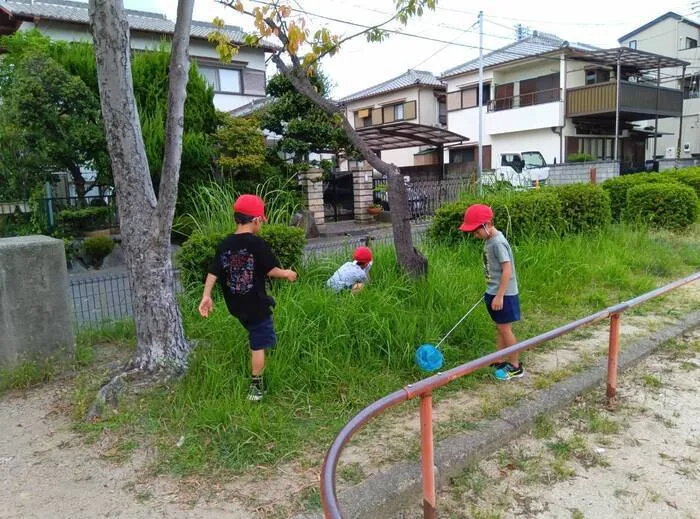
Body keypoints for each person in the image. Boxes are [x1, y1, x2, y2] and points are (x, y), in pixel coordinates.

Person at [198, 194, 297, 401]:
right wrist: (288, 273)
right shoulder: (256, 243)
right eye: (261, 220)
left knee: (257, 332)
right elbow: (271, 270)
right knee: (258, 343)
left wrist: (206, 296)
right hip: (255, 305)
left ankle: (265, 347)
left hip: (235, 305)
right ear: (256, 220)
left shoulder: (224, 244)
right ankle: (256, 387)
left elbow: (213, 271)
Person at [459, 204, 524, 381]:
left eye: (476, 230)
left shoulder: (498, 242)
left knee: (505, 329)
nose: (474, 235)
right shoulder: (489, 240)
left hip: (505, 295)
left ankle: (515, 366)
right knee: (500, 328)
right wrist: (491, 291)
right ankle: (499, 359)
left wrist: (500, 295)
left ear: (487, 224)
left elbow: (507, 270)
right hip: (494, 292)